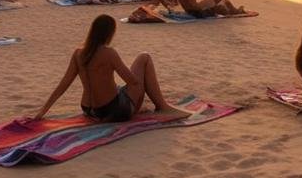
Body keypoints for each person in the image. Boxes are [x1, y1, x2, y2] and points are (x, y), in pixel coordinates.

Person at [31, 14, 190, 122]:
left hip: (89, 110)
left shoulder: (78, 54)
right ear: (109, 33)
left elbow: (63, 84)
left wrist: (43, 111)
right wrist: (138, 89)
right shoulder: (109, 53)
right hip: (111, 111)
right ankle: (162, 106)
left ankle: (147, 105)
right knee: (144, 58)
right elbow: (133, 82)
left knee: (120, 88)